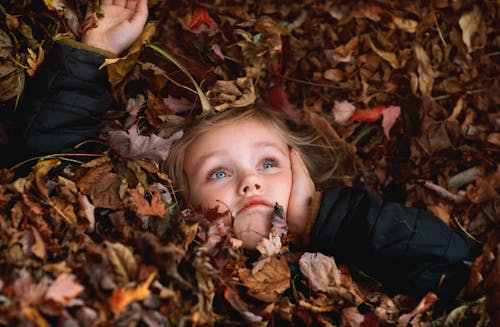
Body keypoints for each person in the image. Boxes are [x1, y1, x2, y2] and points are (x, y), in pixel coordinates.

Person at [11, 0, 476, 307]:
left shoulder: (359, 259)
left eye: (268, 164)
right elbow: (48, 183)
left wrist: (323, 220)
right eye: (217, 174)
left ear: (304, 173)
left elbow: (460, 276)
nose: (249, 182)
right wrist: (89, 55)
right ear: (180, 201)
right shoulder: (153, 260)